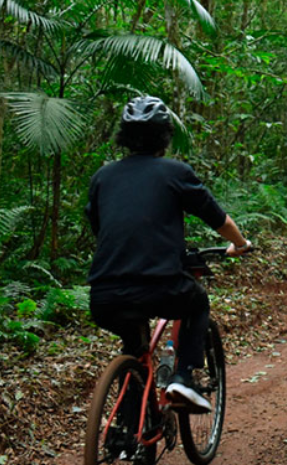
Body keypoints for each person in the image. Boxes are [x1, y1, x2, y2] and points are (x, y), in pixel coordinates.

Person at [85, 95, 252, 413]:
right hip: (160, 287)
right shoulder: (175, 172)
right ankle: (183, 377)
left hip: (104, 296)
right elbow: (220, 221)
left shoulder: (102, 177)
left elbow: (100, 227)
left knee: (134, 347)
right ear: (165, 136)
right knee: (197, 301)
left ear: (124, 137)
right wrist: (241, 244)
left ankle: (128, 426)